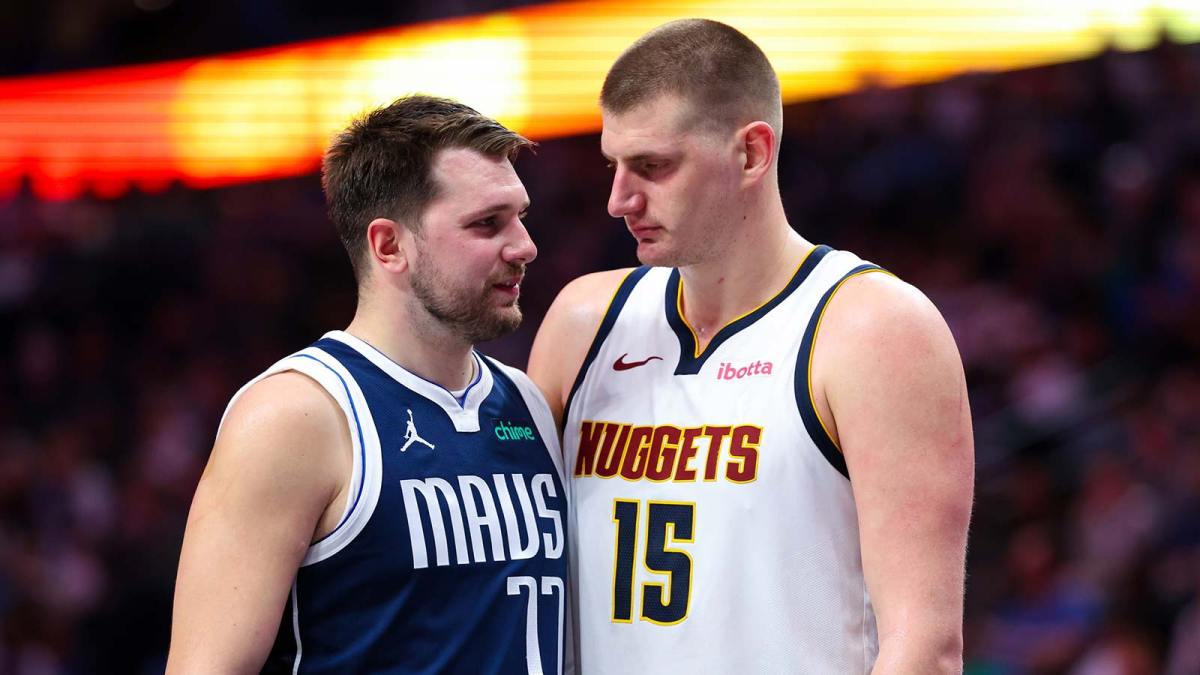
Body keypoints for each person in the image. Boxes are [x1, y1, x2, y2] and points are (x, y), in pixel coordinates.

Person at [528, 19, 974, 674]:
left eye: (652, 166)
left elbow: (924, 648)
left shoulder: (874, 330)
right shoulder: (584, 321)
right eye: (613, 165)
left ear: (751, 153)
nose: (619, 199)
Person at [168, 95, 569, 674]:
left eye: (520, 216)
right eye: (488, 223)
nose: (524, 247)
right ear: (389, 246)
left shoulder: (526, 402)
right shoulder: (296, 416)